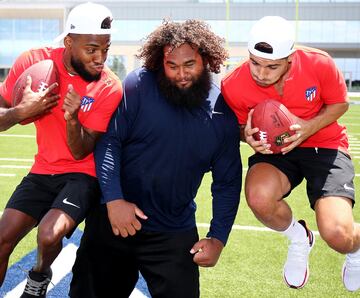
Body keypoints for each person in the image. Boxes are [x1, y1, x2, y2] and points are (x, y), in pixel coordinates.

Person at [69, 19, 242, 298]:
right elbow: (110, 141)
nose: (181, 74)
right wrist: (113, 200)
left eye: (189, 65)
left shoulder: (223, 112)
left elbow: (228, 182)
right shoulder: (139, 85)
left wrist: (218, 237)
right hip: (115, 220)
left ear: (206, 59)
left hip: (172, 229)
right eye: (172, 66)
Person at [221, 15, 360, 291]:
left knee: (338, 234)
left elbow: (339, 104)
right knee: (259, 199)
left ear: (290, 59)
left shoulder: (318, 62)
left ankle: (355, 252)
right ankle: (299, 237)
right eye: (255, 63)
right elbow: (237, 127)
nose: (261, 73)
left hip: (324, 143)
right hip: (276, 149)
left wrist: (307, 128)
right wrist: (246, 136)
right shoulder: (233, 83)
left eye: (271, 67)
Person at [0, 2, 122, 297]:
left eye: (105, 49)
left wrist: (72, 119)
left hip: (82, 174)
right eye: (91, 49)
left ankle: (40, 275)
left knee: (49, 233)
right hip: (43, 169)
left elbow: (82, 152)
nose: (100, 58)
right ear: (69, 42)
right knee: (2, 238)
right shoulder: (33, 61)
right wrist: (20, 111)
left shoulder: (109, 86)